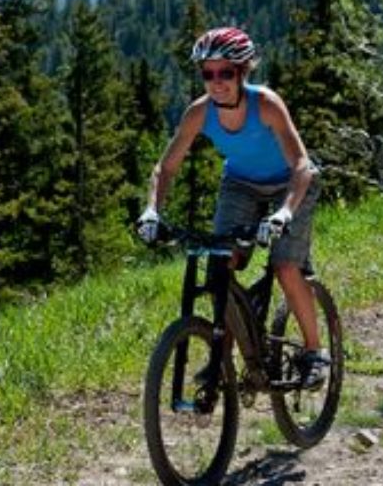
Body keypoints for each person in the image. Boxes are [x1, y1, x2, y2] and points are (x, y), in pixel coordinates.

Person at [136, 27, 326, 388]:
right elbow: (166, 168)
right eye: (208, 73)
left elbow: (301, 165)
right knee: (220, 267)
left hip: (291, 183)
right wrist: (152, 211)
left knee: (286, 268)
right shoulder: (199, 113)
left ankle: (315, 352)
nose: (216, 82)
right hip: (240, 184)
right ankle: (224, 356)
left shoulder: (266, 104)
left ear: (243, 72)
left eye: (226, 73)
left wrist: (283, 213)